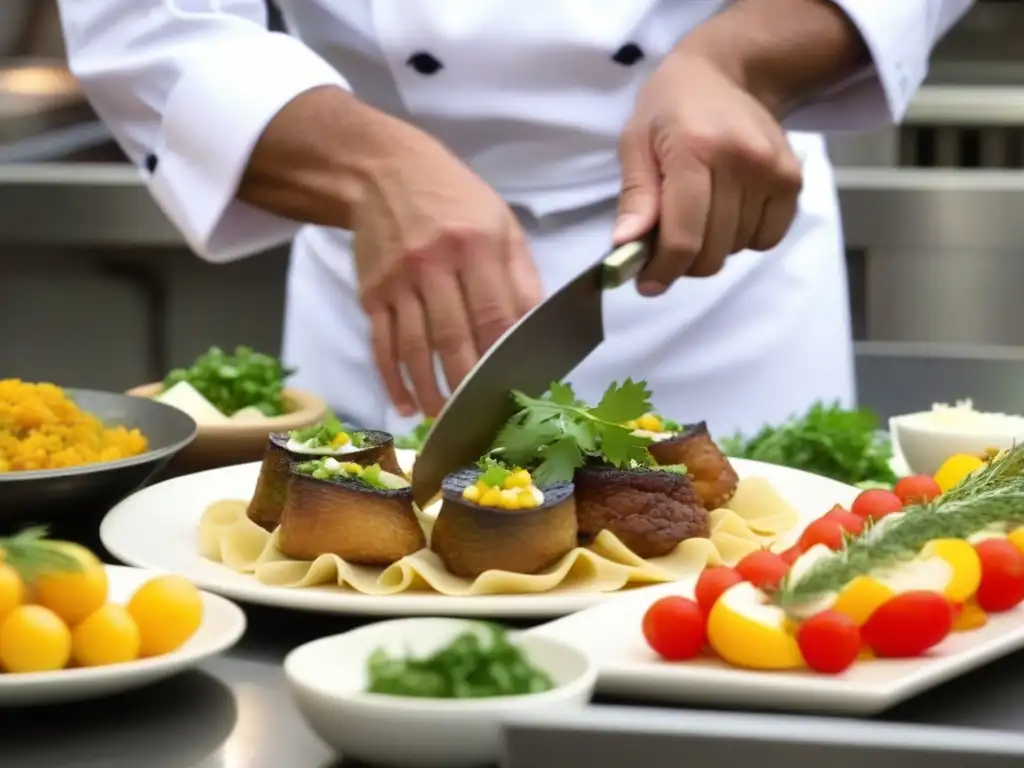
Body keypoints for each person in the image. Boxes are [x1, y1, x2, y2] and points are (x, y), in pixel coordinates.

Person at [58, 0, 971, 439]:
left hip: (710, 244)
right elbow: (143, 22)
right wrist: (374, 170)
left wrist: (742, 61)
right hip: (386, 269)